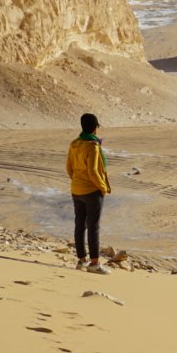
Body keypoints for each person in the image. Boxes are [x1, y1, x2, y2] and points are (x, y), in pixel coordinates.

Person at [66, 112, 111, 273]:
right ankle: (94, 263)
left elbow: (69, 168)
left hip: (76, 190)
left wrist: (77, 181)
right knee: (93, 227)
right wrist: (103, 187)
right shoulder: (93, 146)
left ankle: (81, 260)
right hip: (92, 191)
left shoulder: (74, 144)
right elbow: (93, 170)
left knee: (80, 225)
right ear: (95, 129)